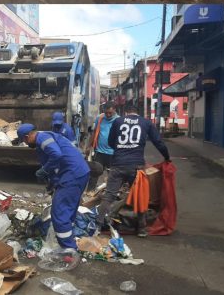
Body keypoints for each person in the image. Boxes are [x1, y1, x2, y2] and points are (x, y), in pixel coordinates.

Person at [97, 104, 171, 237]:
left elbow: (110, 142)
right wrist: (167, 157)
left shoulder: (118, 121)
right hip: (136, 166)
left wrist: (121, 149)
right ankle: (141, 229)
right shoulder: (146, 122)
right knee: (140, 196)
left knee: (109, 195)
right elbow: (158, 142)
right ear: (138, 112)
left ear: (125, 112)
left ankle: (98, 225)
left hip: (118, 163)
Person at [15, 123, 90, 252]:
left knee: (59, 213)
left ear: (27, 137)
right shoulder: (46, 138)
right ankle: (69, 240)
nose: (26, 144)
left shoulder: (42, 139)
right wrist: (52, 183)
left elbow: (57, 155)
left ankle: (69, 249)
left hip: (72, 175)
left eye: (24, 141)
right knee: (69, 211)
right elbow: (55, 165)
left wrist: (44, 170)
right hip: (79, 173)